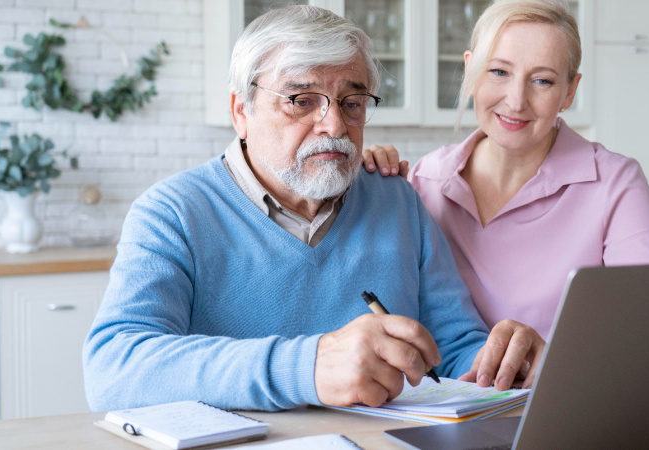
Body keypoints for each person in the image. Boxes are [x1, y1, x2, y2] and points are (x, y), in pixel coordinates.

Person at [82, 5, 545, 413]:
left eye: (352, 102)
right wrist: (308, 366)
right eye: (302, 101)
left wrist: (504, 365)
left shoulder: (397, 200)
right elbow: (114, 368)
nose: (335, 124)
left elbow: (454, 347)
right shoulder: (173, 213)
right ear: (241, 110)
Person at [363, 0, 649, 341]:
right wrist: (362, 183)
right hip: (453, 393)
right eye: (498, 72)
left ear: (569, 91)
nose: (516, 100)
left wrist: (550, 362)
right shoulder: (426, 180)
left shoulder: (615, 185)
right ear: (470, 70)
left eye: (542, 81)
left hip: (563, 392)